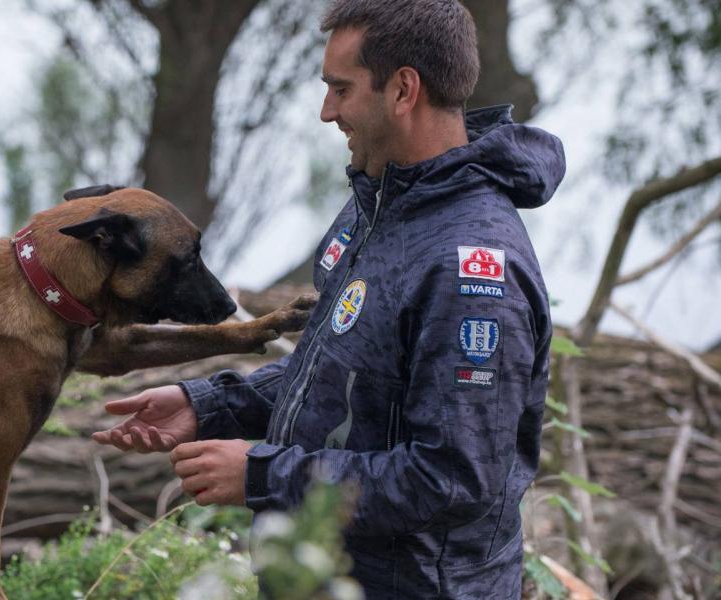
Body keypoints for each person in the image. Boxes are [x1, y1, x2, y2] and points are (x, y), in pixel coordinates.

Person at [91, 0, 566, 597]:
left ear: (403, 89)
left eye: (339, 89)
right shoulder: (380, 204)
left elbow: (451, 479)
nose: (326, 112)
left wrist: (262, 475)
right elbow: (347, 371)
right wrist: (208, 406)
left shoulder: (471, 270)